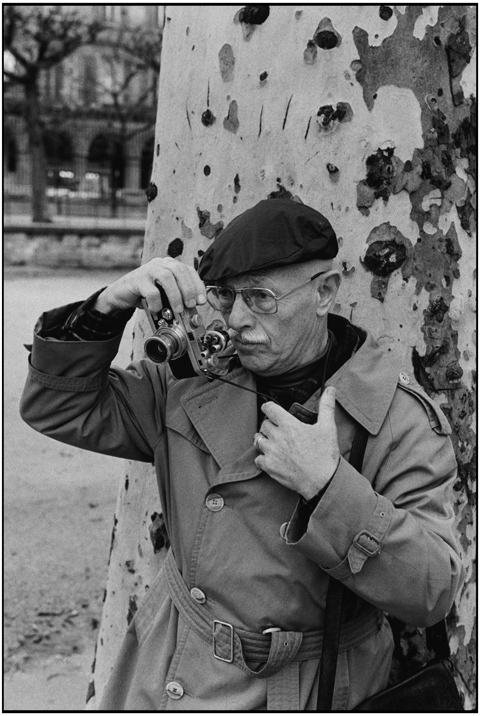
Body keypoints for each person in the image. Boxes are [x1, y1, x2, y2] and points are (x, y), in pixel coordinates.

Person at [20, 198, 464, 711]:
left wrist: (327, 487)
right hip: (170, 663)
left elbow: (431, 591)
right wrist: (105, 307)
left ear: (324, 292)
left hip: (306, 687)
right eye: (226, 296)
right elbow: (57, 407)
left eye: (261, 298)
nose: (237, 319)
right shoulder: (192, 381)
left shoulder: (395, 416)